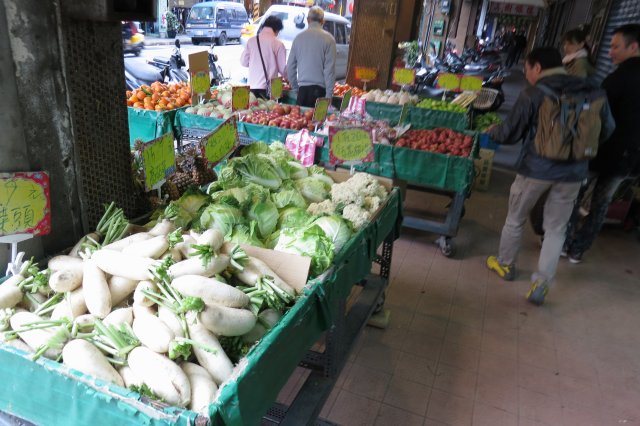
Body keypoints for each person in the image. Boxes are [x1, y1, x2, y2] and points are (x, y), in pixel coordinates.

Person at [485, 47, 614, 306]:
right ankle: (542, 282)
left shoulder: (533, 94)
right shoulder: (594, 90)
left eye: (526, 69)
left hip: (535, 170)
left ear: (537, 68)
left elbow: (510, 133)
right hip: (575, 174)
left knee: (515, 218)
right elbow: (608, 129)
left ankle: (505, 265)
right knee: (556, 229)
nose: (526, 75)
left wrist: (492, 131)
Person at [563, 24, 640, 263]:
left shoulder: (617, 79)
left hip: (599, 152)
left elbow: (596, 118)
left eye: (615, 46)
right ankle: (578, 250)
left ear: (634, 47)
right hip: (628, 157)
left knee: (573, 195)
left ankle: (563, 243)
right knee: (601, 204)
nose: (609, 52)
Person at [529, 27, 598, 239]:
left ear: (580, 44)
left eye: (569, 43)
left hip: (558, 150)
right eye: (564, 43)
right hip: (574, 158)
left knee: (535, 207)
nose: (565, 46)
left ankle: (511, 257)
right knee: (557, 222)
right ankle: (546, 265)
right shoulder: (580, 72)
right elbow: (605, 128)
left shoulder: (577, 69)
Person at [287, 6, 337, 107]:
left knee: (300, 121)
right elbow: (329, 71)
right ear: (323, 21)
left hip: (302, 91)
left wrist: (296, 88)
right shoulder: (329, 39)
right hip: (320, 92)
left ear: (308, 20)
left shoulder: (298, 38)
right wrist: (328, 96)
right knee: (317, 122)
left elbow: (290, 67)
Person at [240, 16, 287, 99]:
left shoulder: (251, 41)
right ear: (276, 30)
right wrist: (290, 79)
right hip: (273, 87)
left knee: (253, 111)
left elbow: (243, 62)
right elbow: (283, 69)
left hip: (252, 85)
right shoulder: (278, 44)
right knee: (271, 111)